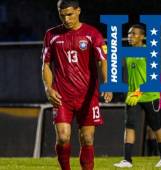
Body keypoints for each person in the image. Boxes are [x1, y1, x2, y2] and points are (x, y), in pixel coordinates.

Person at [41, 0, 112, 169]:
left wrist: (107, 84)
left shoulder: (92, 34)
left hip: (87, 96)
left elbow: (103, 61)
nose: (66, 19)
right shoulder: (51, 35)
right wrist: (48, 88)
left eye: (70, 14)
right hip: (62, 96)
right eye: (62, 15)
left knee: (87, 138)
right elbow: (46, 65)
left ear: (78, 11)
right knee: (63, 137)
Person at [113, 24, 161, 168]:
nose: (130, 36)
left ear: (142, 36)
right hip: (133, 96)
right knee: (129, 126)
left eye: (134, 34)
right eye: (129, 34)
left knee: (156, 126)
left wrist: (139, 92)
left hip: (149, 96)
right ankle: (127, 160)